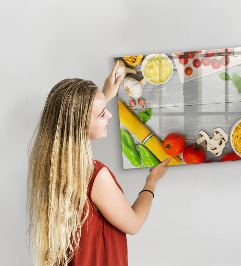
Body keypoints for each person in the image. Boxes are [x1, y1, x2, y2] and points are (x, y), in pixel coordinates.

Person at [27, 61, 171, 266]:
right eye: (102, 113)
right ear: (81, 125)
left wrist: (104, 95)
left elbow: (77, 118)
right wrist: (152, 181)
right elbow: (134, 224)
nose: (110, 115)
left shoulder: (50, 164)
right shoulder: (95, 176)